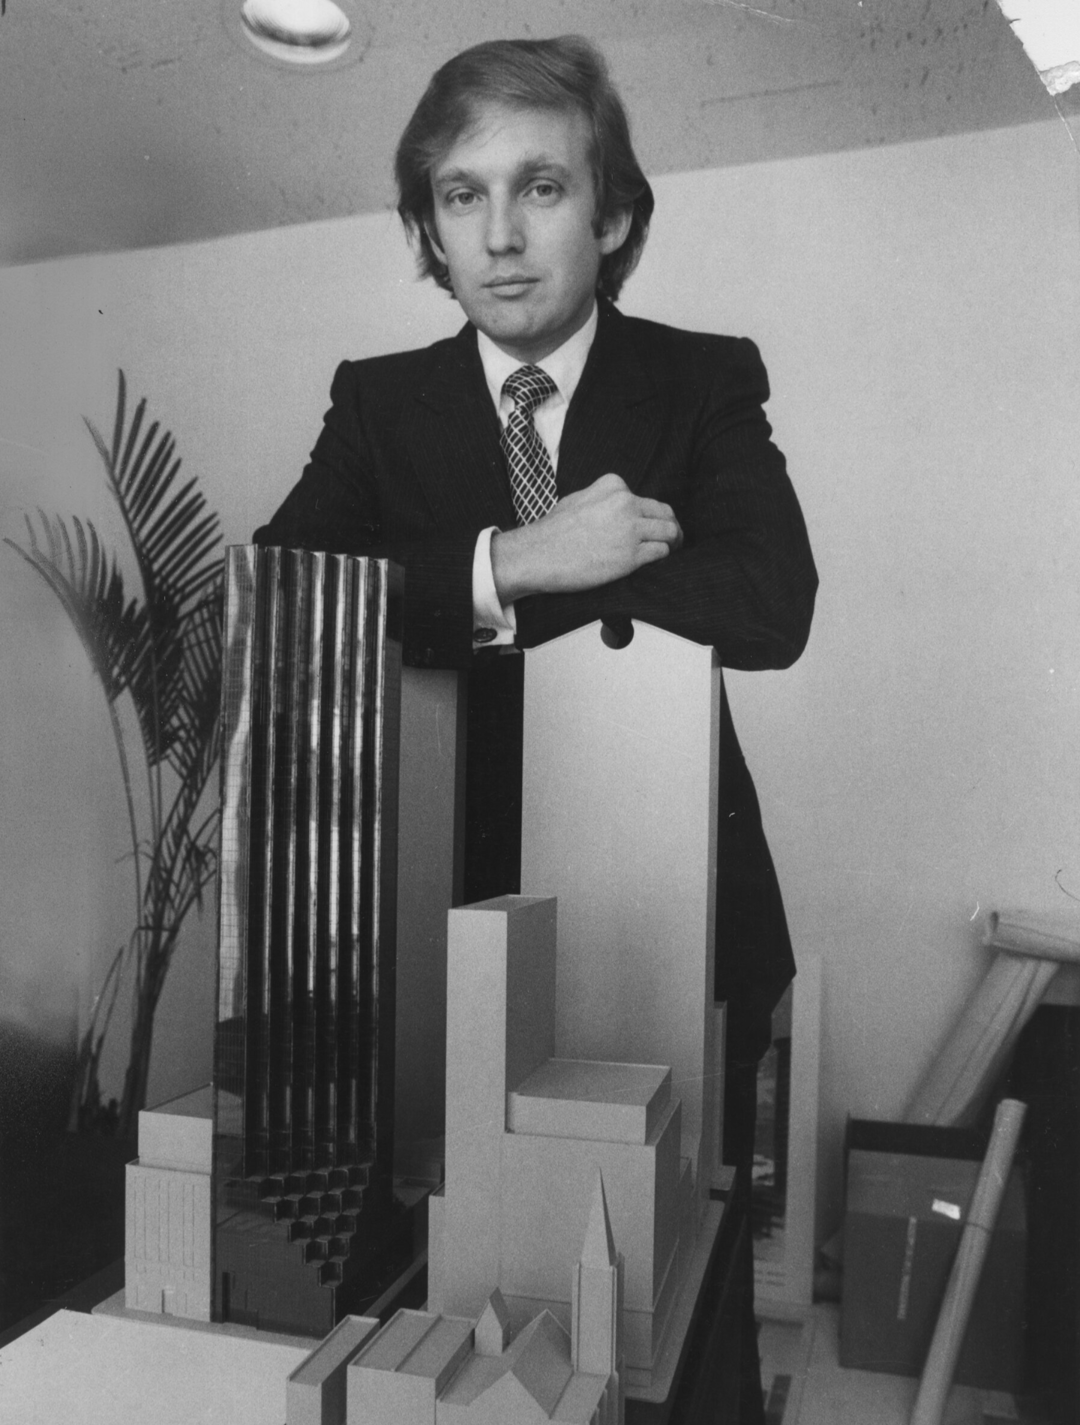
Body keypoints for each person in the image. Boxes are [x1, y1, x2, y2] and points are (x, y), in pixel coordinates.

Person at [255, 34, 816, 1421]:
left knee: (672, 1317)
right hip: (430, 928)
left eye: (542, 188)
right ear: (430, 229)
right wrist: (519, 559)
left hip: (673, 909)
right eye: (462, 196)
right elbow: (289, 600)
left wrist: (480, 587)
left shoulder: (701, 379)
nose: (500, 236)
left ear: (611, 214)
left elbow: (770, 603)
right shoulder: (377, 401)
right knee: (452, 1317)